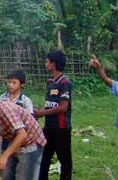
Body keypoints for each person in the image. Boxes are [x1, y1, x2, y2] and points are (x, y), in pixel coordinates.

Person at [34, 50, 72, 180]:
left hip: (61, 128)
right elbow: (52, 104)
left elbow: (63, 107)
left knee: (64, 160)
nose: (45, 64)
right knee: (44, 158)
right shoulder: (51, 82)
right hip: (49, 127)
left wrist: (42, 113)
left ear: (53, 64)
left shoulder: (64, 83)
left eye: (46, 61)